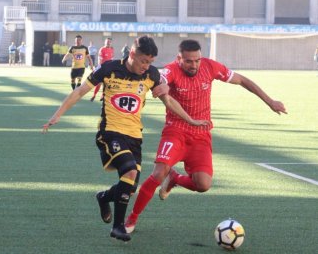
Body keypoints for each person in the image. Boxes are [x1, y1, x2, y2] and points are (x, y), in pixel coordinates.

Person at [42, 35, 209, 242]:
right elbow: (80, 92)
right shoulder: (109, 69)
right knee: (129, 170)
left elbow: (169, 101)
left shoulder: (151, 74)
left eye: (150, 62)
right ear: (132, 54)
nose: (146, 66)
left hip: (135, 137)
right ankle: (118, 227)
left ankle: (104, 197)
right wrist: (57, 115)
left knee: (128, 188)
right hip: (110, 132)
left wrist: (191, 120)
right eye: (143, 61)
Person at [125, 39, 287, 234]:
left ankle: (175, 179)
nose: (194, 65)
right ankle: (131, 219)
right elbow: (161, 78)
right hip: (175, 131)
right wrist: (161, 85)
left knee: (203, 184)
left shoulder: (210, 67)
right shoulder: (171, 70)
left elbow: (242, 80)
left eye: (197, 60)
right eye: (188, 61)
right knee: (158, 173)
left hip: (201, 135)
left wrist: (270, 101)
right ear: (179, 58)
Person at [90, 37, 114, 102]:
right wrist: (98, 68)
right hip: (102, 68)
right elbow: (99, 60)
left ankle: (102, 96)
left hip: (108, 69)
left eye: (109, 41)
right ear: (105, 42)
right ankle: (94, 95)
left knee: (106, 83)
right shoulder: (102, 49)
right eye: (107, 41)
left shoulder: (112, 49)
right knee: (99, 83)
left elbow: (111, 60)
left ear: (111, 42)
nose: (108, 42)